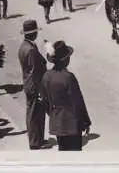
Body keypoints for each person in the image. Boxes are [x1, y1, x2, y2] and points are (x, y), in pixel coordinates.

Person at [41, 40, 91, 151]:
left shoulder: (46, 76)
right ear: (65, 60)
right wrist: (85, 121)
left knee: (63, 152)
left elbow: (44, 100)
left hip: (57, 124)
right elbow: (78, 102)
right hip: (72, 124)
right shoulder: (68, 77)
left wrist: (54, 113)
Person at [17, 19, 48, 150]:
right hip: (34, 85)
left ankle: (38, 139)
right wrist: (40, 89)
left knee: (36, 113)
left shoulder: (25, 46)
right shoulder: (30, 50)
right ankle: (35, 142)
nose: (36, 35)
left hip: (29, 83)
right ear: (32, 34)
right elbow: (34, 71)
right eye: (35, 32)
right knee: (34, 114)